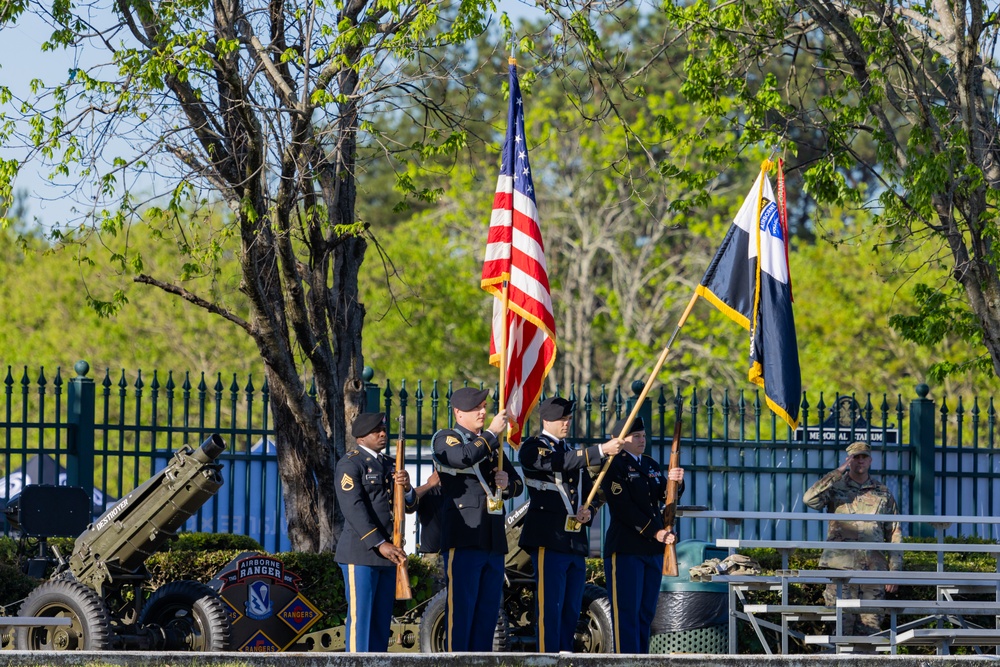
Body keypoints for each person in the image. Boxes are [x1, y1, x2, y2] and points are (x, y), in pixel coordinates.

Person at [518, 396, 623, 653]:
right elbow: (557, 462)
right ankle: (547, 656)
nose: (566, 424)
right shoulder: (533, 447)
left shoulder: (571, 450)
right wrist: (599, 450)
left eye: (567, 419)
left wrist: (590, 511)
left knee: (571, 607)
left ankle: (565, 655)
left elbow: (592, 493)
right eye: (561, 419)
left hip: (574, 541)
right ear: (546, 420)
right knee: (550, 606)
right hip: (548, 538)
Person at [432, 386, 524, 652]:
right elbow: (462, 457)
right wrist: (492, 433)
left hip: (493, 538)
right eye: (476, 408)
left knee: (487, 614)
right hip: (465, 536)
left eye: (484, 406)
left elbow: (517, 484)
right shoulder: (447, 438)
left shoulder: (491, 444)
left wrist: (506, 484)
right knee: (462, 611)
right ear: (459, 413)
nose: (483, 411)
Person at [600, 416, 685, 654]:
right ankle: (627, 659)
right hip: (627, 547)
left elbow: (664, 497)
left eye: (644, 436)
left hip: (653, 550)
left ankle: (641, 658)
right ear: (620, 440)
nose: (642, 440)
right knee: (627, 611)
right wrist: (655, 532)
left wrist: (677, 482)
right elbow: (623, 508)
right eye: (635, 436)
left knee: (646, 612)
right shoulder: (614, 464)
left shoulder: (650, 464)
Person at [333, 411, 416, 652]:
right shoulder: (350, 463)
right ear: (361, 437)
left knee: (381, 623)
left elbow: (408, 506)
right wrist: (380, 543)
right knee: (361, 620)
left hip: (389, 554)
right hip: (362, 553)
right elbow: (353, 508)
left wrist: (408, 487)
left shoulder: (390, 463)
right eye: (375, 431)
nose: (382, 434)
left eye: (383, 429)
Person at [803, 440, 903, 637]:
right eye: (855, 457)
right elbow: (809, 499)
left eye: (864, 457)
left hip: (873, 571)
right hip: (841, 569)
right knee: (841, 627)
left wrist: (895, 571)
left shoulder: (882, 492)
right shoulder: (835, 487)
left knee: (871, 629)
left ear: (870, 460)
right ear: (849, 460)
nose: (860, 461)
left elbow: (894, 532)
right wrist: (837, 472)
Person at [414, 469, 446, 591]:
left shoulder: (461, 493)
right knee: (433, 603)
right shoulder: (430, 493)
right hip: (433, 558)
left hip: (457, 555)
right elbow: (407, 499)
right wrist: (429, 485)